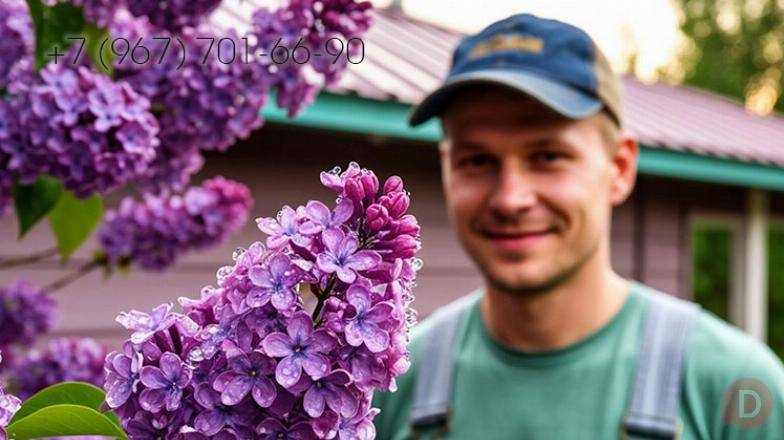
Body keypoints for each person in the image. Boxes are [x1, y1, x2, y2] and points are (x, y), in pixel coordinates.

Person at [371, 13, 784, 440]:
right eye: (476, 160)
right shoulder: (385, 383)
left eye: (547, 156)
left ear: (619, 168)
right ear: (446, 169)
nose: (511, 198)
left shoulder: (737, 390)